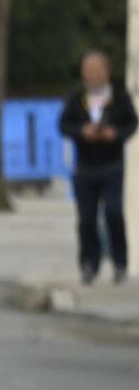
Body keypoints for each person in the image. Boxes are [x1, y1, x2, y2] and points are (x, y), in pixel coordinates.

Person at [58, 50, 135, 285]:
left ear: (107, 72)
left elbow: (131, 123)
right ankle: (89, 263)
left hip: (112, 165)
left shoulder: (120, 96)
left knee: (113, 213)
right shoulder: (76, 97)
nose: (92, 75)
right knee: (86, 218)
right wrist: (82, 131)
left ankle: (120, 263)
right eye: (88, 70)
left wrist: (115, 134)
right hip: (85, 166)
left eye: (97, 70)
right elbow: (64, 125)